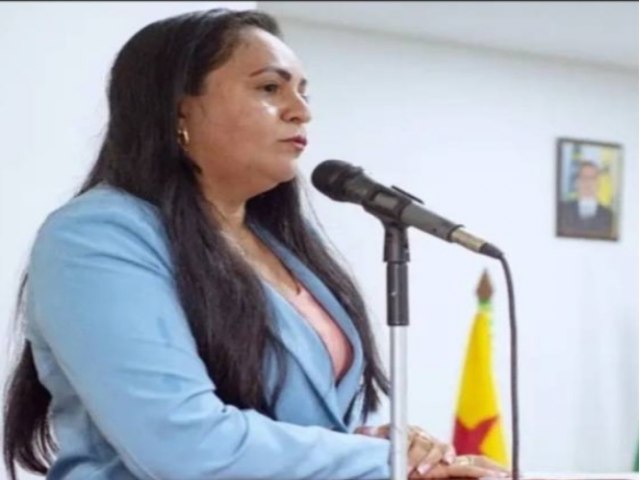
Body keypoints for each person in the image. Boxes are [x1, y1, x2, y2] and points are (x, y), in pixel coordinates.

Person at [3, 9, 511, 480]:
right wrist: (383, 462)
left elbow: (301, 421)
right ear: (179, 110)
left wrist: (384, 444)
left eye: (304, 93)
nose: (301, 112)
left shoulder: (281, 245)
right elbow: (184, 445)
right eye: (270, 87)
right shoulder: (96, 237)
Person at [558, 161, 614, 237]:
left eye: (592, 178)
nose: (588, 182)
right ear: (577, 182)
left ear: (598, 183)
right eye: (584, 177)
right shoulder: (563, 210)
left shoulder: (607, 215)